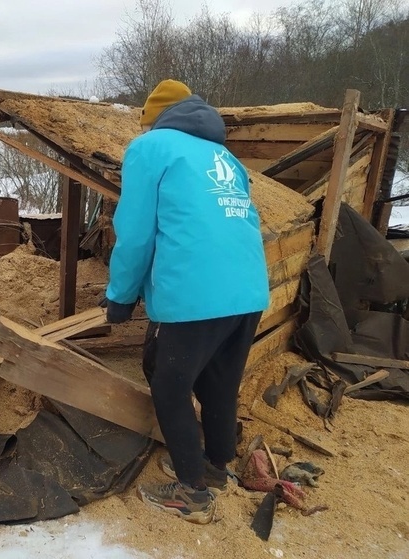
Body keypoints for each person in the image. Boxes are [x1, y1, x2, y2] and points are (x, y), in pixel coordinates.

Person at [104, 79, 269, 524]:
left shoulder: (150, 147)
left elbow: (136, 232)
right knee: (218, 383)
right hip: (250, 288)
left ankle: (191, 491)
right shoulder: (225, 156)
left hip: (196, 289)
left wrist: (120, 295)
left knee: (168, 384)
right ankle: (216, 467)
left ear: (154, 119)